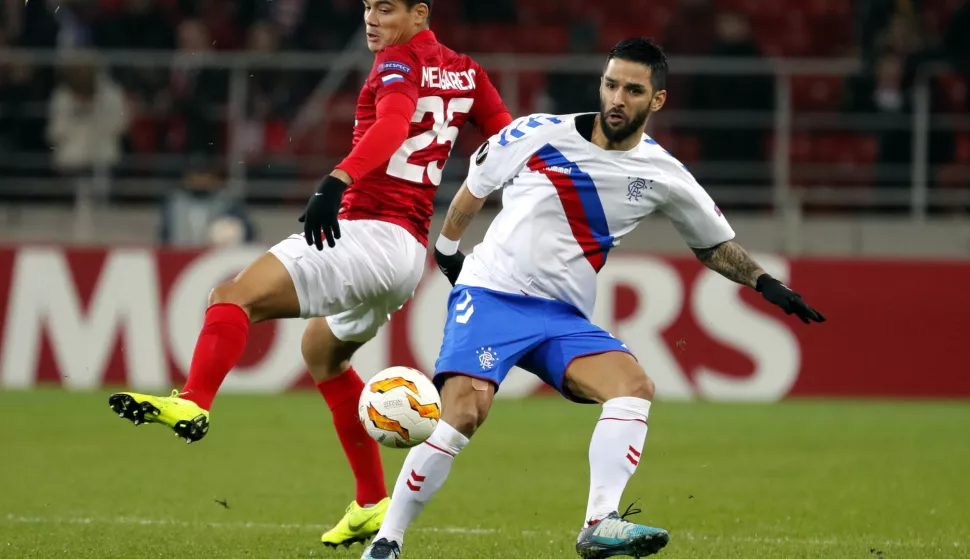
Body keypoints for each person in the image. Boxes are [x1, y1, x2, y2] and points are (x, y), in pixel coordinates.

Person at [361, 38, 826, 559]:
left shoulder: (662, 172)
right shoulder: (538, 133)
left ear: (657, 101)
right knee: (464, 412)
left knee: (633, 386)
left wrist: (766, 283)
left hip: (562, 316)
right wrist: (447, 252)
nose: (617, 98)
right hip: (493, 294)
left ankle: (599, 522)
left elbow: (713, 245)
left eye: (633, 89)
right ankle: (386, 541)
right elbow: (475, 187)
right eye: (611, 85)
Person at [106, 0, 512, 547]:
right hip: (406, 254)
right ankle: (372, 503)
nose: (371, 19)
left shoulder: (397, 63)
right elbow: (505, 140)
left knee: (233, 295)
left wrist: (337, 180)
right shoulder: (467, 71)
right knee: (322, 353)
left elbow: (393, 122)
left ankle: (194, 399)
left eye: (386, 9)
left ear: (421, 13)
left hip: (367, 231)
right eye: (368, 6)